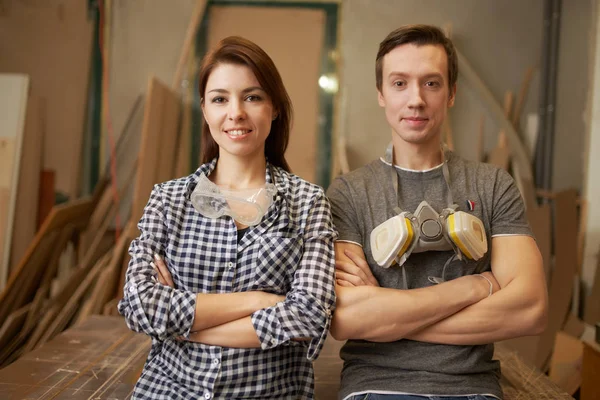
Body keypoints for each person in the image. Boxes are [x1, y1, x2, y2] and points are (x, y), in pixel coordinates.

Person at [326, 24, 548, 400]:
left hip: (472, 389)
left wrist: (389, 318)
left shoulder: (492, 185)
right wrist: (477, 286)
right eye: (399, 84)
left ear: (452, 93)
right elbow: (346, 318)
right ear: (381, 94)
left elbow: (531, 309)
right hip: (377, 387)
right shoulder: (349, 193)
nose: (415, 99)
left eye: (431, 83)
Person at [118, 36, 337, 399]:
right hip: (169, 390)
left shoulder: (307, 202)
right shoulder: (169, 199)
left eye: (252, 97)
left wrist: (182, 325)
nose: (235, 112)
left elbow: (309, 315)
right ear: (205, 110)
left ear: (275, 107)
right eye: (220, 99)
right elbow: (140, 305)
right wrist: (260, 299)